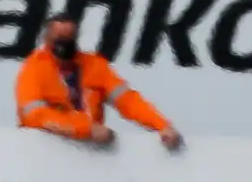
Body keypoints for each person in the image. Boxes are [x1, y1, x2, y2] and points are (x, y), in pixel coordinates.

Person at [16, 14, 183, 151]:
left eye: (70, 38)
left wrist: (162, 126)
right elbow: (34, 116)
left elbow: (128, 101)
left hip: (92, 154)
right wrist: (85, 129)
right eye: (59, 38)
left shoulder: (94, 65)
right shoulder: (34, 68)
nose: (64, 45)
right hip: (44, 152)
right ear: (46, 39)